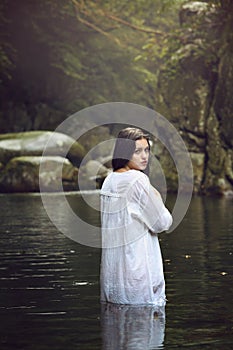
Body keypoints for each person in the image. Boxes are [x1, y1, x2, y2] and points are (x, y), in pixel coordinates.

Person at [100, 127, 172, 305]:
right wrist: (153, 192)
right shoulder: (136, 180)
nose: (144, 156)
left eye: (146, 150)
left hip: (113, 278)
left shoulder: (109, 180)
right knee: (145, 329)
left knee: (116, 329)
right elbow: (163, 222)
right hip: (137, 276)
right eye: (137, 151)